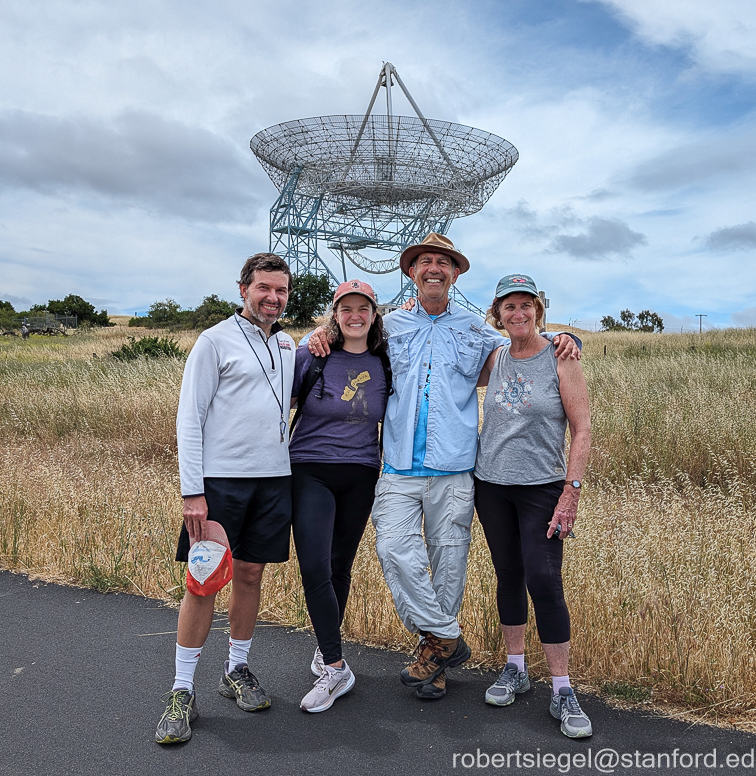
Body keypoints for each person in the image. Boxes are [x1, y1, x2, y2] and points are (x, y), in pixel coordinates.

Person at [308, 232, 580, 700]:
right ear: (411, 272)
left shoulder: (476, 329)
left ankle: (432, 662)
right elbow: (348, 333)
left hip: (454, 468)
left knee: (448, 566)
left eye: (443, 262)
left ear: (455, 274)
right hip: (397, 466)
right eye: (424, 261)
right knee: (394, 550)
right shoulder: (388, 327)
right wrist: (322, 331)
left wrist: (562, 337)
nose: (433, 268)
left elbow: (521, 340)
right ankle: (446, 637)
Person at [155, 253, 296, 745]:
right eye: (264, 288)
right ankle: (181, 690)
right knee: (202, 581)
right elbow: (188, 418)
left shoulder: (287, 343)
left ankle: (235, 669)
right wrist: (192, 491)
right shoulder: (214, 342)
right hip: (220, 485)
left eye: (281, 290)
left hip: (274, 480)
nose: (272, 298)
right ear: (243, 289)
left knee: (251, 574)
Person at [473, 273, 592, 738]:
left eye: (526, 305)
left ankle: (562, 688)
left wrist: (571, 490)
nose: (518, 314)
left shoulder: (562, 358)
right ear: (497, 314)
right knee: (509, 575)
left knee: (543, 579)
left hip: (543, 487)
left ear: (538, 310)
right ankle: (515, 667)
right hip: (492, 485)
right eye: (509, 307)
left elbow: (581, 429)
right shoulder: (495, 357)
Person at [290, 279, 390, 712]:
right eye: (345, 309)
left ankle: (324, 647)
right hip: (310, 468)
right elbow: (276, 401)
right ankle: (335, 666)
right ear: (335, 314)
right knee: (314, 564)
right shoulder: (311, 355)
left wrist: (562, 337)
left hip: (361, 472)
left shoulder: (387, 359)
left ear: (373, 314)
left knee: (338, 567)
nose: (354, 316)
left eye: (362, 309)